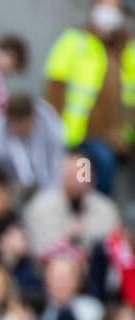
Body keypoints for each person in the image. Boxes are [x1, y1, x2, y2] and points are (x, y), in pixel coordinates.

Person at [43, 0, 135, 195]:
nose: (108, 15)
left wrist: (126, 138)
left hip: (112, 140)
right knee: (78, 185)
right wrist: (52, 129)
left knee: (101, 191)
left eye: (114, 9)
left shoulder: (128, 50)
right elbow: (54, 90)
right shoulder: (75, 41)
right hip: (76, 137)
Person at [0, 92, 65, 196]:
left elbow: (57, 166)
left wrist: (52, 194)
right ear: (9, 121)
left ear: (32, 118)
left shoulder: (50, 130)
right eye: (16, 125)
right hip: (10, 191)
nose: (20, 129)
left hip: (46, 190)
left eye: (24, 124)